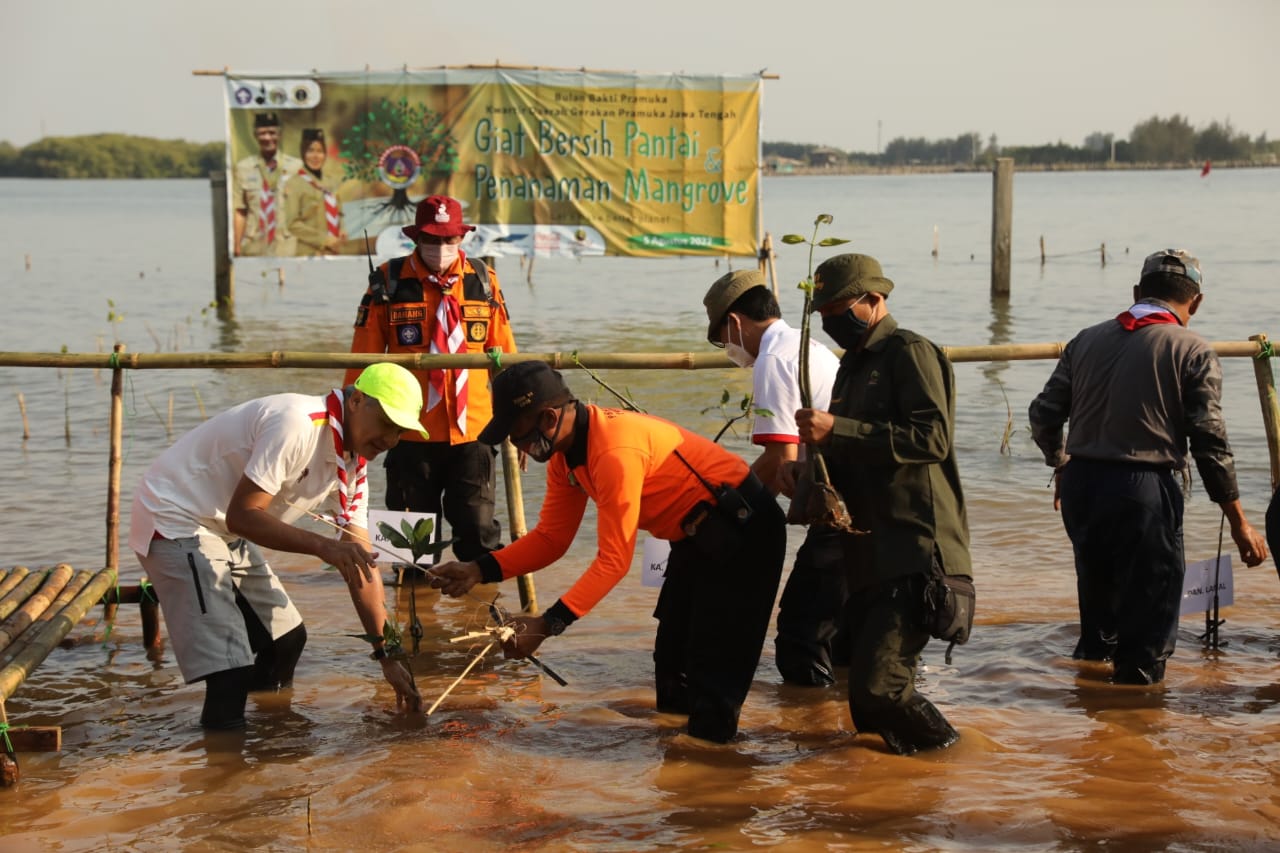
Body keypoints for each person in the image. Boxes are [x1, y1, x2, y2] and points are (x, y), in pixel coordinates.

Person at [429, 361, 787, 743]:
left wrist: (547, 625)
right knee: (672, 665)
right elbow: (552, 537)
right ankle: (679, 771)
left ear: (549, 417)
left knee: (714, 670)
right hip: (694, 539)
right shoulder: (565, 456)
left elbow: (614, 561)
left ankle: (717, 776)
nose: (517, 446)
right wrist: (478, 569)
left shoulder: (614, 449)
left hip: (745, 532)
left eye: (517, 434)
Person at [128, 363, 424, 729]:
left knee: (286, 640)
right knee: (229, 671)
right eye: (388, 424)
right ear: (357, 400)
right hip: (176, 516)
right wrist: (324, 548)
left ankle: (271, 735)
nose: (392, 440)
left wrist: (387, 653)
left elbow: (362, 564)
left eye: (401, 431)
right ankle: (225, 768)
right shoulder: (298, 423)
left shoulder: (353, 466)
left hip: (222, 527)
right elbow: (244, 515)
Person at [1029, 249, 1267, 685]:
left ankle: (1089, 725)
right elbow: (1210, 444)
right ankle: (1133, 728)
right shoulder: (1193, 350)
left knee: (1099, 617)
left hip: (1083, 486)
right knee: (1148, 632)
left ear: (1137, 292)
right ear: (1195, 302)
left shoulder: (1086, 339)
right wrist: (1239, 522)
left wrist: (1061, 463)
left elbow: (1043, 414)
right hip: (1143, 493)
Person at [781, 252, 970, 755]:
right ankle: (892, 806)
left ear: (874, 300)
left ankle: (956, 762)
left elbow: (931, 439)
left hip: (915, 548)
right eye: (822, 315)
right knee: (862, 706)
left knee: (881, 690)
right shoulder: (851, 367)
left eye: (837, 309)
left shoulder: (910, 353)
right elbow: (857, 451)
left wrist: (835, 428)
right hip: (866, 554)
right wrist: (811, 471)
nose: (830, 322)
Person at [346, 195, 516, 565]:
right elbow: (360, 368)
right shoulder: (387, 284)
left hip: (475, 434)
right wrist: (352, 435)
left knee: (479, 540)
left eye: (449, 239)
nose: (441, 248)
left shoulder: (484, 283)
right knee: (408, 550)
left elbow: (506, 360)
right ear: (415, 238)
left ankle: (480, 614)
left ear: (462, 240)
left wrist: (518, 423)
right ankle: (413, 617)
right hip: (407, 434)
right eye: (432, 239)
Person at [701, 269, 846, 686]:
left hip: (839, 506)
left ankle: (811, 732)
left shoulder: (774, 357)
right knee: (843, 633)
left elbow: (779, 457)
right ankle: (848, 737)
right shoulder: (802, 345)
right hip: (853, 494)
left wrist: (728, 504)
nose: (729, 348)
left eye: (722, 339)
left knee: (801, 636)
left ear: (734, 322)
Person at [233, 112, 301, 257]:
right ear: (255, 135)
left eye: (272, 133)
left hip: (287, 243)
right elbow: (240, 210)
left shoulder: (296, 167)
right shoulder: (243, 168)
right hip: (254, 242)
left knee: (287, 278)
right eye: (262, 133)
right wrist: (237, 244)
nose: (267, 138)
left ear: (279, 134)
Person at [283, 128, 347, 256]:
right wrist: (324, 239)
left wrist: (342, 229)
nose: (316, 156)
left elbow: (339, 213)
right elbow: (292, 224)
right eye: (310, 150)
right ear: (303, 153)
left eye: (320, 151)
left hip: (333, 252)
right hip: (309, 254)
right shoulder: (294, 183)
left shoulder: (330, 182)